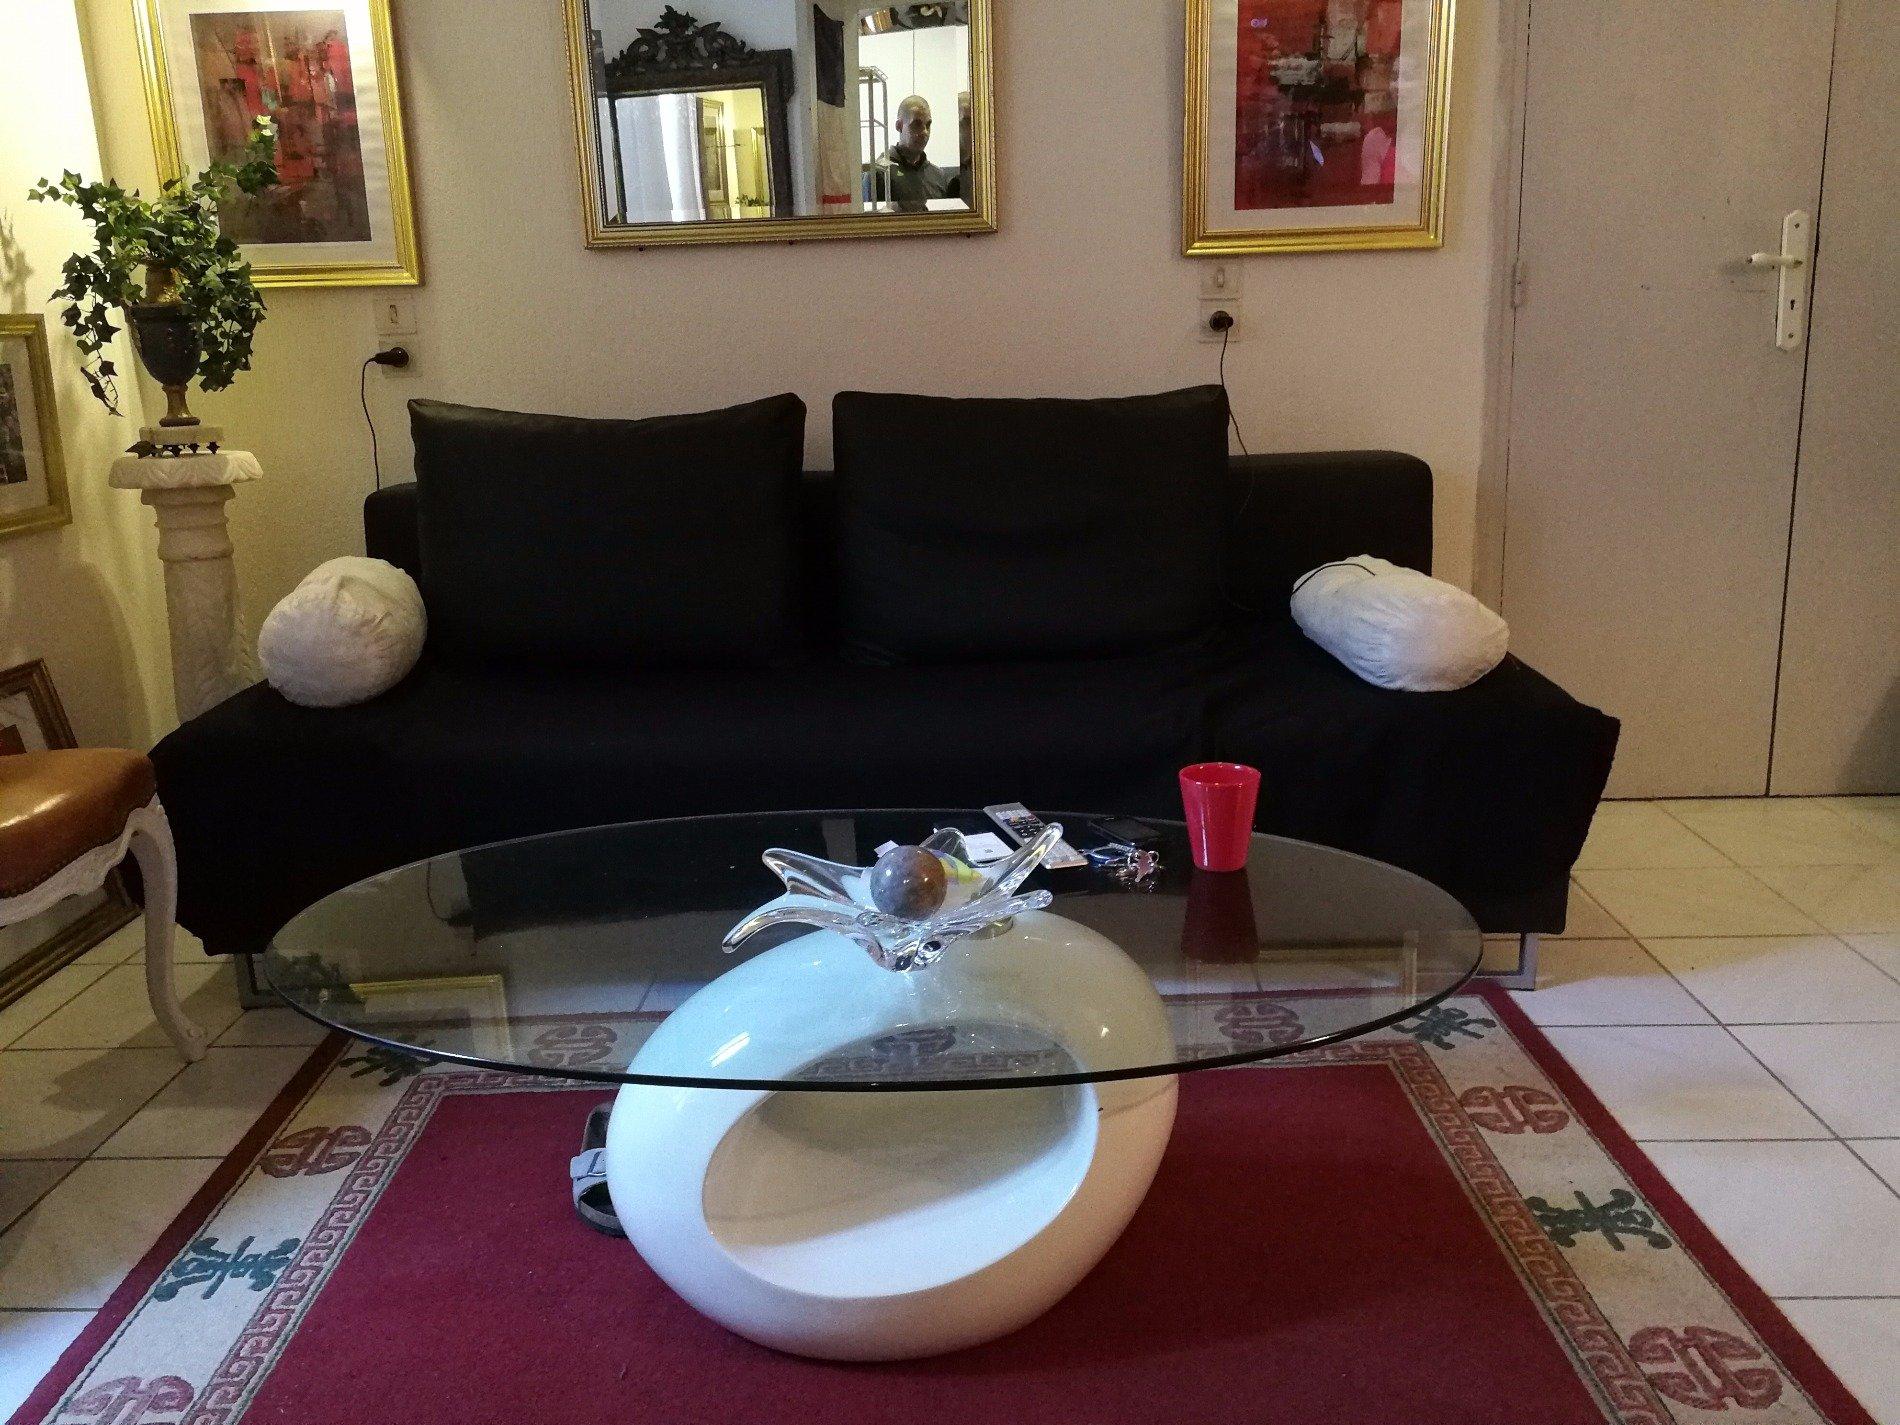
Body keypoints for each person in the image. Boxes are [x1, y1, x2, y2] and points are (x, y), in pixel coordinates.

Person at [877, 95, 950, 212]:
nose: (925, 132)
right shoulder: (880, 173)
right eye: (916, 124)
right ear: (899, 126)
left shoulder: (938, 176)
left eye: (928, 125)